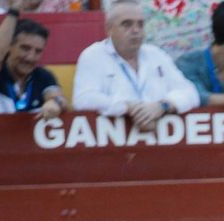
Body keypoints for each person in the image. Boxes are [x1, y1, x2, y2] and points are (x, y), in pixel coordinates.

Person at [72, 0, 200, 131]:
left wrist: (163, 106)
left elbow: (190, 93)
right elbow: (83, 100)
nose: (135, 30)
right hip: (114, 139)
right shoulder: (93, 56)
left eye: (140, 24)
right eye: (127, 24)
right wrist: (128, 107)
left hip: (160, 138)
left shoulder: (155, 54)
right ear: (109, 29)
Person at [0, 5, 68, 117]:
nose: (30, 57)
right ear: (10, 46)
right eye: (25, 48)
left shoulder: (43, 75)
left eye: (38, 51)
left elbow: (59, 98)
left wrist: (55, 102)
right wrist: (14, 11)